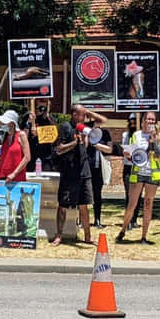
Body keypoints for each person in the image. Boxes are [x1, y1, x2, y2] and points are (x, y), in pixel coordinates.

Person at [117, 111, 160, 245]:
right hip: (138, 172)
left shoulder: (159, 136)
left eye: (153, 120)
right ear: (143, 121)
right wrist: (127, 153)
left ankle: (144, 236)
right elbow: (132, 153)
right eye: (148, 119)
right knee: (132, 204)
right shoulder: (136, 135)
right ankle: (123, 229)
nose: (150, 122)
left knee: (148, 204)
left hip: (153, 173)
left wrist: (154, 141)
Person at [52, 104, 95, 246]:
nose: (84, 117)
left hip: (84, 171)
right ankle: (59, 236)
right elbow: (59, 149)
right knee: (63, 205)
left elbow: (102, 121)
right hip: (69, 172)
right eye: (82, 114)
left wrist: (84, 140)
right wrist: (75, 143)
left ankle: (88, 236)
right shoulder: (65, 127)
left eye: (85, 115)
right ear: (74, 115)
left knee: (84, 205)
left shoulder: (84, 129)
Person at [84, 110, 112, 228]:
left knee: (97, 194)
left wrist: (96, 144)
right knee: (84, 194)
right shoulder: (87, 130)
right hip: (87, 166)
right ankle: (82, 220)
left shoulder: (105, 133)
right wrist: (89, 137)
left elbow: (109, 149)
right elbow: (84, 146)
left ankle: (98, 219)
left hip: (99, 167)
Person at [0, 110, 31, 183]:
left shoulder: (21, 135)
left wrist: (14, 174)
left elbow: (27, 158)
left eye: (4, 122)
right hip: (2, 176)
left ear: (12, 123)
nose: (2, 124)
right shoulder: (5, 136)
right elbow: (6, 157)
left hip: (16, 178)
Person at [120, 114, 139, 230]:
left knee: (137, 195)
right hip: (128, 167)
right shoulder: (125, 135)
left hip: (138, 168)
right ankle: (129, 219)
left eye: (134, 122)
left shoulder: (140, 136)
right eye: (130, 122)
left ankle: (134, 219)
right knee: (128, 194)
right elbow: (124, 150)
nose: (132, 124)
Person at [26, 101, 56, 171]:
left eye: (42, 108)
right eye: (37, 107)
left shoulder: (48, 118)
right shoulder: (28, 117)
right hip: (32, 154)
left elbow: (54, 133)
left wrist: (47, 116)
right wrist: (29, 122)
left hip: (45, 155)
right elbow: (24, 134)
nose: (39, 110)